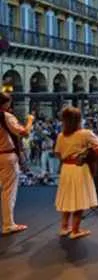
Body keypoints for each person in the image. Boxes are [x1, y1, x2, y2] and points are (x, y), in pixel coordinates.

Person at [54, 106, 98, 239]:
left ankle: (64, 227)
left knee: (67, 197)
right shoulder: (85, 133)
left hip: (66, 169)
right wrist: (85, 153)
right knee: (79, 199)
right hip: (79, 169)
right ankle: (75, 230)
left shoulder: (60, 136)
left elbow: (57, 153)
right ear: (78, 119)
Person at [0, 92, 34, 235]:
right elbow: (24, 132)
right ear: (6, 103)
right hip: (6, 155)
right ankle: (8, 224)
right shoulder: (6, 117)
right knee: (8, 191)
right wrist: (30, 120)